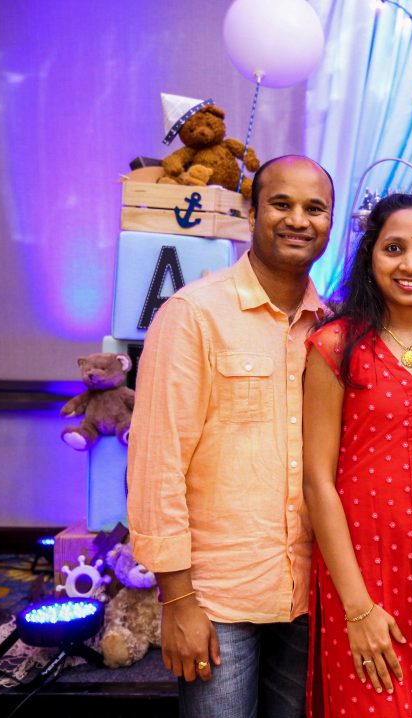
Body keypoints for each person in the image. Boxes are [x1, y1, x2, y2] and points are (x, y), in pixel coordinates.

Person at [127, 155, 335, 717]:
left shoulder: (333, 328)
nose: (298, 220)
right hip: (217, 601)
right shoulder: (194, 314)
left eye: (314, 208)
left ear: (331, 223)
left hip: (307, 597)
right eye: (281, 204)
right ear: (251, 212)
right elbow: (156, 465)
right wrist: (178, 599)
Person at [302, 193, 412, 717]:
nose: (410, 264)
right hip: (364, 581)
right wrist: (358, 611)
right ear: (369, 257)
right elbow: (318, 482)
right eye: (394, 249)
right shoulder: (336, 346)